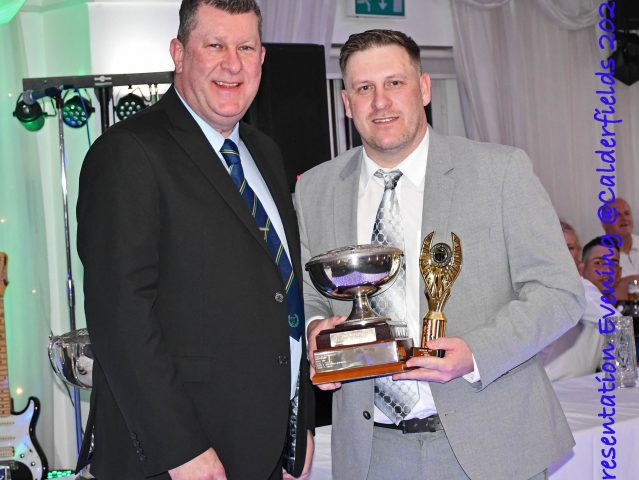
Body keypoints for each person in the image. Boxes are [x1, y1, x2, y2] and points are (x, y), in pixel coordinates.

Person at [295, 29, 585, 480]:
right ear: (347, 103)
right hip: (372, 454)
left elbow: (560, 292)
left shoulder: (500, 172)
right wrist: (318, 330)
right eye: (364, 88)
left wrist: (477, 352)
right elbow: (309, 292)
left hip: (491, 443)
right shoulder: (315, 188)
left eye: (395, 83)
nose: (380, 102)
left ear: (424, 89)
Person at [76, 1, 313, 479]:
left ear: (262, 58)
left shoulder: (264, 153)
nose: (233, 64)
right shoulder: (127, 152)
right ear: (179, 54)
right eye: (215, 45)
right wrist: (180, 449)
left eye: (245, 47)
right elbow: (120, 317)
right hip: (182, 460)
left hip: (267, 452)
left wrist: (296, 425)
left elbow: (283, 297)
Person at [540, 233, 619, 381]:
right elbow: (618, 324)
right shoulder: (578, 289)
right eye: (599, 263)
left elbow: (612, 364)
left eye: (613, 264)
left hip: (579, 385)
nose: (607, 270)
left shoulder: (599, 307)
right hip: (555, 386)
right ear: (581, 267)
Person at [601, 198, 639, 291]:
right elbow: (609, 290)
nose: (624, 218)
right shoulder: (599, 254)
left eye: (627, 213)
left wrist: (626, 282)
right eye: (617, 215)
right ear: (604, 223)